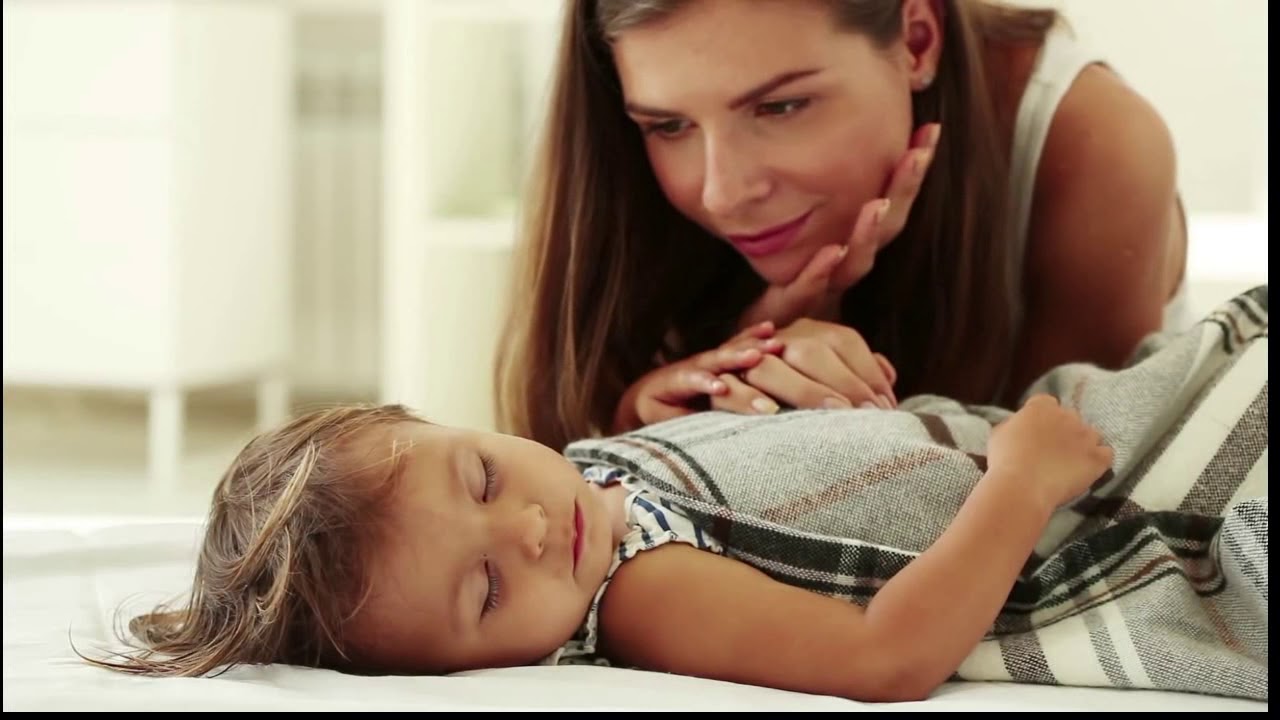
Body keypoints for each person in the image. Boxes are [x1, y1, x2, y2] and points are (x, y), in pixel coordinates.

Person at [77, 286, 1269, 702]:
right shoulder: (641, 595)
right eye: (485, 592)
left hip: (1026, 428)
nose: (529, 529)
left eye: (482, 475)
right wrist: (1017, 484)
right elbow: (884, 659)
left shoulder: (591, 478)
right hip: (1065, 490)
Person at [494, 0, 1190, 450]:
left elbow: (1060, 522)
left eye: (780, 108)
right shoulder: (625, 175)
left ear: (917, 41)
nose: (723, 193)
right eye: (669, 126)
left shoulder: (1094, 142)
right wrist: (709, 382)